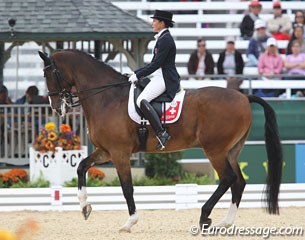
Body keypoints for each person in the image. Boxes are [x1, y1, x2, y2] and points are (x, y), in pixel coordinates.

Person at [128, 10, 180, 150]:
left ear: (162, 23)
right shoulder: (162, 38)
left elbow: (156, 65)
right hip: (158, 76)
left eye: (155, 21)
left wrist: (138, 75)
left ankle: (161, 133)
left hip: (164, 78)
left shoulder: (166, 40)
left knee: (141, 100)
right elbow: (153, 64)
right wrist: (136, 73)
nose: (152, 23)